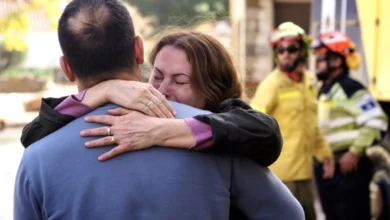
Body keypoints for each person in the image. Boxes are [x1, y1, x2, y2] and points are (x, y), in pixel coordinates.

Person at [14, 1, 304, 219]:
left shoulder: (37, 157)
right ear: (139, 51)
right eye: (160, 75)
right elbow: (289, 214)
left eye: (180, 80)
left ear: (66, 67)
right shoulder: (220, 143)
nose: (163, 89)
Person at [250, 21, 335, 220]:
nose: (285, 54)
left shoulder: (309, 81)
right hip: (280, 176)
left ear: (303, 51)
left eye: (292, 48)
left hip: (304, 174)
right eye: (280, 50)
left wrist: (325, 154)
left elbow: (312, 124)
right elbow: (254, 121)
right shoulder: (272, 84)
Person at [311, 31, 388, 220]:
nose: (316, 62)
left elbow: (377, 120)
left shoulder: (350, 88)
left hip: (349, 169)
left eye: (322, 57)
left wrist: (354, 152)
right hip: (328, 168)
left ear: (337, 62)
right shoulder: (323, 90)